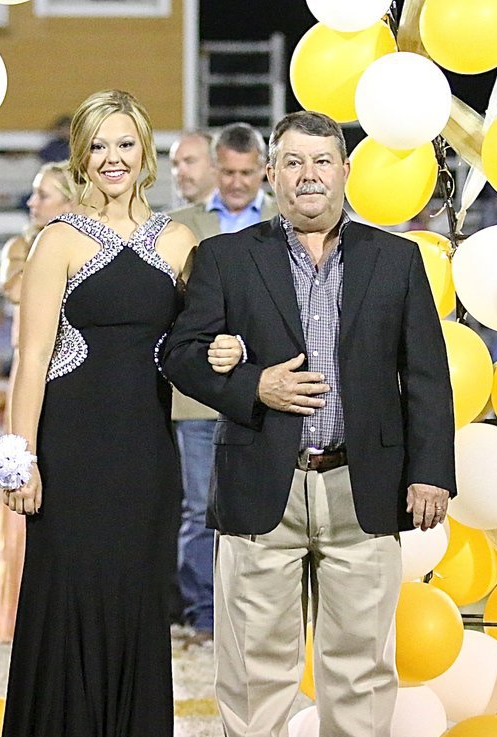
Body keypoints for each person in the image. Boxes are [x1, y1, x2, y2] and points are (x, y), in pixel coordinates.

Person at [162, 110, 456, 737]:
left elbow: (426, 376)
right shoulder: (227, 258)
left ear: (345, 172)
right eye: (292, 163)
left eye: (321, 162)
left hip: (365, 485)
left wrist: (430, 472)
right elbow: (182, 353)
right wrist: (252, 387)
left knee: (360, 656)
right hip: (265, 479)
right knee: (253, 656)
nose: (308, 176)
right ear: (270, 175)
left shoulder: (397, 260)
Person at [0, 89, 197, 737]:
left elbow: (195, 350)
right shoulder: (58, 239)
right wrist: (20, 456)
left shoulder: (180, 242)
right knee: (65, 606)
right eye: (99, 146)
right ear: (82, 156)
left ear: (145, 155)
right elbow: (30, 359)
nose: (112, 160)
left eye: (125, 145)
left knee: (135, 613)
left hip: (146, 456)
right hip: (69, 451)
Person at [167, 123, 279, 647]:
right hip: (196, 396)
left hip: (267, 390)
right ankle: (206, 615)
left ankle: (255, 618)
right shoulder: (182, 225)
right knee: (197, 510)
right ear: (215, 169)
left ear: (263, 169)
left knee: (261, 505)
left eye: (246, 172)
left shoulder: (287, 222)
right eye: (227, 172)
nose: (236, 182)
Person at [0, 161, 75, 645]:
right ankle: (11, 614)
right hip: (29, 372)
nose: (33, 203)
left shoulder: (81, 248)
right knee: (19, 486)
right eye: (35, 195)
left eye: (45, 195)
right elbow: (16, 288)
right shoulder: (20, 248)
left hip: (72, 373)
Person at [169, 130, 217, 207]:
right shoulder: (168, 217)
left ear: (215, 164)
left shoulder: (238, 215)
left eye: (190, 161)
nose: (180, 172)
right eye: (175, 164)